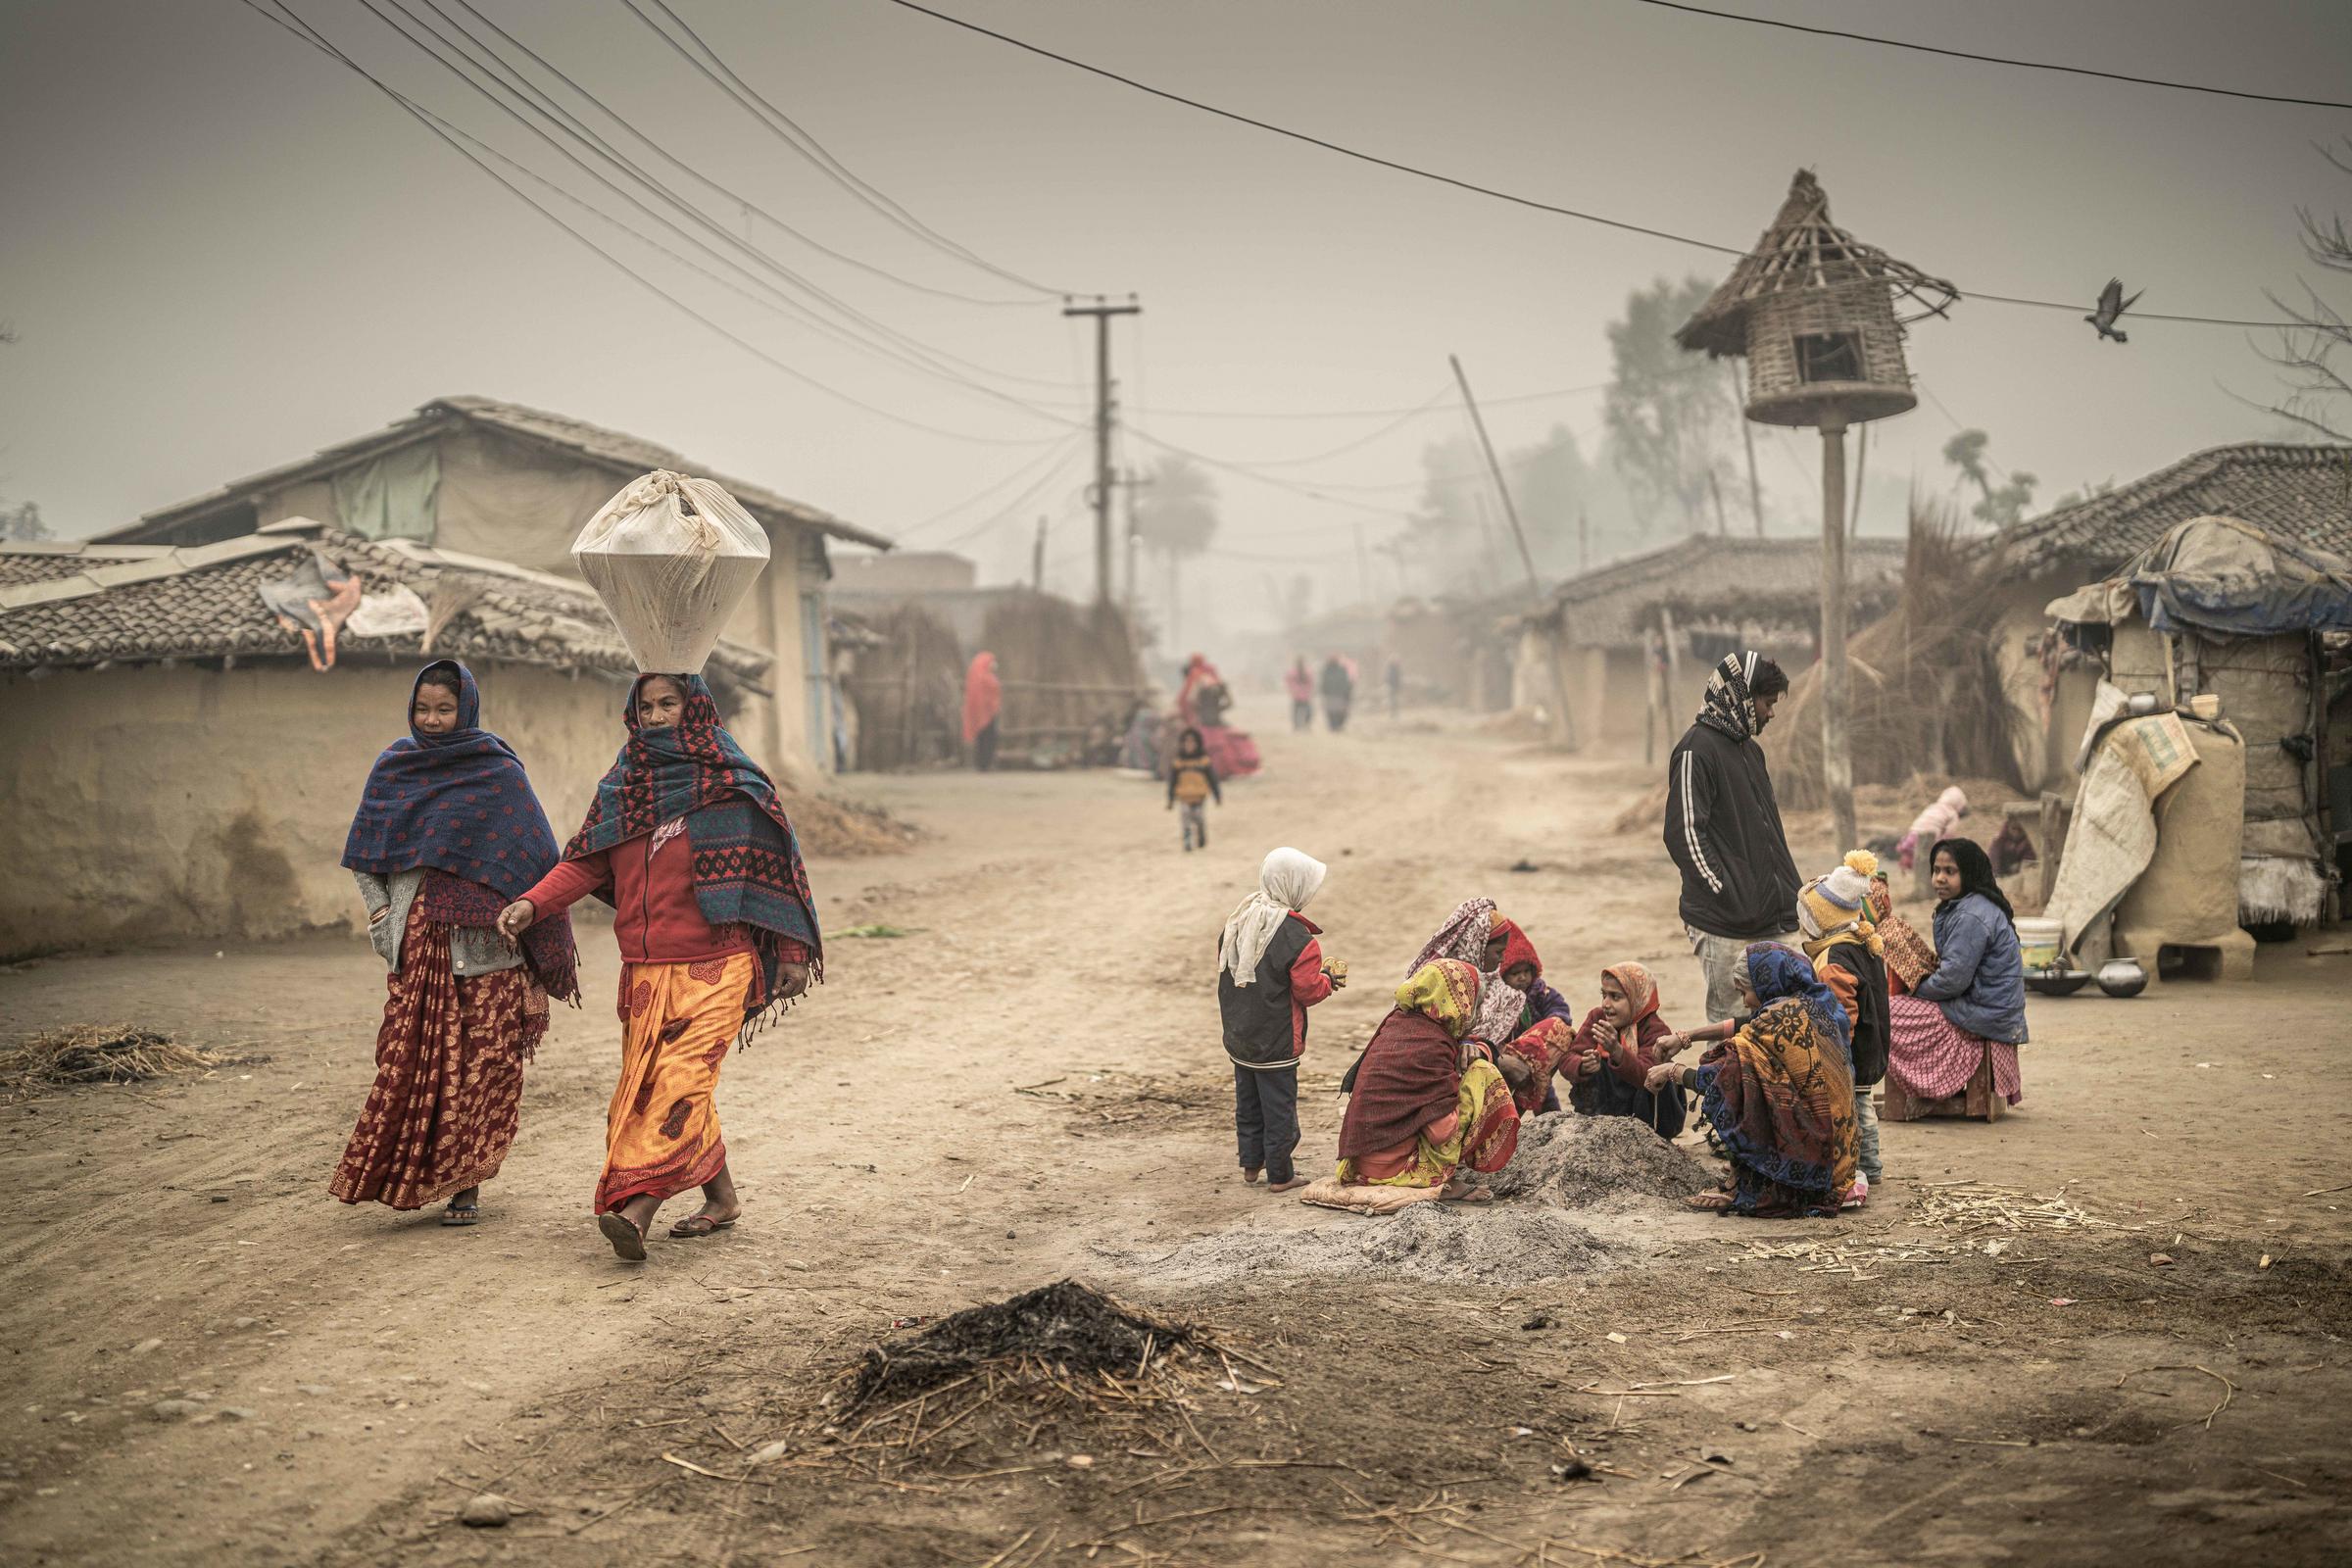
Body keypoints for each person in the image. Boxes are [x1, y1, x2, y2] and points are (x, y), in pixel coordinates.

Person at [498, 673, 821, 1262]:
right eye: (645, 706)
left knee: (680, 1082)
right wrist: (531, 904)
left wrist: (794, 953)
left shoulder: (731, 784)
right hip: (645, 971)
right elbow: (587, 863)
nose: (654, 715)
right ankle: (722, 1198)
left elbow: (775, 868)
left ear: (694, 707)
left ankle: (638, 1212)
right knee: (660, 1086)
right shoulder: (623, 788)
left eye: (668, 703)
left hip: (719, 964)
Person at [332, 662, 579, 1224]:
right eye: (423, 709)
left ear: (465, 708)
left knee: (485, 1061)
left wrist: (531, 919)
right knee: (410, 1060)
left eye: (444, 709)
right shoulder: (395, 767)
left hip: (490, 947)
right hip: (419, 944)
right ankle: (410, 1176)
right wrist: (381, 911)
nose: (432, 720)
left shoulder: (497, 771)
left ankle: (466, 1184)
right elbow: (365, 851)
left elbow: (534, 852)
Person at [1647, 945, 1856, 1218]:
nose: (1745, 1001)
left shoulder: (1779, 1019)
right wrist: (1686, 1037)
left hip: (1814, 1169)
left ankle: (1741, 1186)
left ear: (1765, 984)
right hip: (1841, 1162)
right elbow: (1747, 1022)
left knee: (1740, 1080)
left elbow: (1719, 1079)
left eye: (1744, 991)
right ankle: (1740, 1177)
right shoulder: (1817, 1003)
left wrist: (1673, 1071)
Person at [1662, 651, 1801, 1022]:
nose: (1771, 713)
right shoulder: (1695, 750)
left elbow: (1767, 833)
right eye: (1767, 702)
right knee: (1732, 1032)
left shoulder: (1751, 751)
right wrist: (1726, 890)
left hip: (1771, 918)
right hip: (1725, 924)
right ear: (1741, 696)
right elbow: (1683, 833)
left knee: (1780, 1027)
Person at [1337, 959, 1521, 1199]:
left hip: (1363, 1166)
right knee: (1482, 1073)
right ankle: (1438, 1179)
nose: (1475, 1013)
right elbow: (1440, 1132)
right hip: (1395, 1170)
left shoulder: (1398, 1022)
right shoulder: (1433, 1045)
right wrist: (1459, 1083)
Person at [1218, 848, 1342, 1193]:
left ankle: (1251, 1165)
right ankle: (1281, 1174)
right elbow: (1308, 991)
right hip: (1277, 1040)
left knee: (1249, 1104)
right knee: (1279, 1110)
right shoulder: (1298, 938)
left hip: (1240, 1036)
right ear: (1294, 886)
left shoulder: (1239, 920)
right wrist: (1328, 979)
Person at [1885, 838, 2027, 1122]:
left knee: (1886, 1011)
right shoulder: (1969, 906)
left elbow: (1952, 981)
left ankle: (1926, 1087)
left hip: (1983, 1014)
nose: (1940, 878)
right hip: (1989, 1009)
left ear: (1969, 873)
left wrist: (1915, 992)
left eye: (1950, 871)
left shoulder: (1971, 916)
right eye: (1936, 870)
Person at [1798, 851, 1890, 1206]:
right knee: (1862, 1104)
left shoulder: (1833, 959)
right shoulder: (1859, 944)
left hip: (1854, 1050)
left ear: (1822, 920)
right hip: (1873, 1040)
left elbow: (1842, 1015)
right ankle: (1871, 1164)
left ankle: (1868, 1165)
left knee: (1857, 1107)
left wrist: (1836, 1058)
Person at [1562, 962, 1687, 1138]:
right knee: (1599, 1067)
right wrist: (1582, 1065)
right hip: (1607, 1108)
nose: (1606, 1004)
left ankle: (1647, 1137)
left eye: (1615, 997)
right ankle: (1597, 1126)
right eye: (1604, 995)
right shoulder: (1598, 1018)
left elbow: (1647, 1077)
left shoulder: (1655, 1030)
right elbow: (1568, 1058)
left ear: (1637, 998)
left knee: (1662, 1072)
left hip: (1647, 1115)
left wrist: (1617, 1051)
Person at [1485, 917, 1577, 1117]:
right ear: (1502, 975)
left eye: (1527, 971)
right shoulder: (1498, 999)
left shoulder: (1539, 992)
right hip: (1509, 1058)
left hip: (1538, 1057)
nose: (1522, 977)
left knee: (1545, 1093)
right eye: (1515, 973)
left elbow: (1559, 1010)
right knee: (1506, 1098)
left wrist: (1546, 1028)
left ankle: (1551, 1121)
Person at [1166, 727, 1223, 852]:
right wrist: (1170, 799)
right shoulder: (1179, 762)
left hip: (1199, 796)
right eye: (1186, 742)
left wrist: (1217, 795)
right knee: (1185, 818)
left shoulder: (1203, 761)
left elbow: (1212, 779)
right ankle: (1187, 842)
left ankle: (1201, 836)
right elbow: (1172, 782)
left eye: (1192, 742)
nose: (1189, 745)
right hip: (1184, 796)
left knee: (1199, 818)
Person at [962, 652, 1002, 772]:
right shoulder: (981, 677)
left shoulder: (985, 676)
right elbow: (979, 696)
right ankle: (983, 764)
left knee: (988, 738)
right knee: (985, 738)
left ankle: (985, 763)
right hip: (983, 713)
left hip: (989, 713)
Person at [1319, 654, 1354, 732]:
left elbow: (1323, 684)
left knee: (1333, 713)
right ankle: (1336, 727)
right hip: (1337, 695)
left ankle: (1335, 727)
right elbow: (1346, 682)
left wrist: (1324, 692)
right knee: (1337, 713)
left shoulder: (1328, 670)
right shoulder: (1339, 670)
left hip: (1334, 695)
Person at [1285, 657, 1315, 732]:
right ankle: (1300, 726)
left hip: (1302, 695)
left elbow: (1311, 682)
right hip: (1301, 695)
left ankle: (1300, 726)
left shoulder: (1302, 672)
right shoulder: (1297, 672)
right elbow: (1311, 682)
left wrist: (1293, 689)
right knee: (1304, 711)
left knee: (1303, 711)